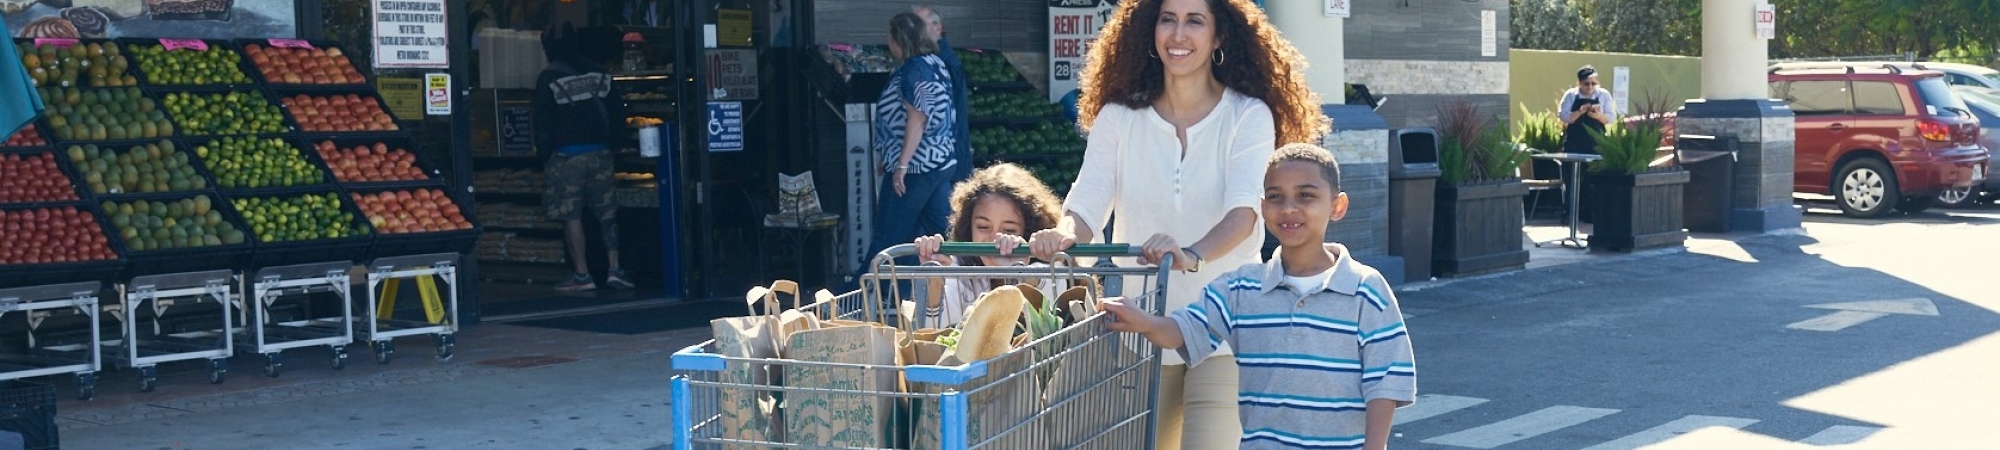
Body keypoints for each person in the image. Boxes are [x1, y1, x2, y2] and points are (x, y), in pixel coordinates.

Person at [1026, 0, 1329, 448]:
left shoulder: (1247, 114)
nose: (1178, 34)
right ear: (1151, 30)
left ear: (1219, 35)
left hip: (1226, 329)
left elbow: (1244, 213)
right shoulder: (1119, 117)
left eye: (1194, 20)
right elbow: (1086, 206)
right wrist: (1064, 234)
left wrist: (1192, 255)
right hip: (1142, 328)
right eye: (1168, 19)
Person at [1097, 144, 1417, 450]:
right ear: (1263, 208)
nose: (1289, 208)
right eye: (1276, 197)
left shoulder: (1366, 289)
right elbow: (1185, 330)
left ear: (1337, 206)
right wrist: (1145, 322)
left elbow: (1386, 381)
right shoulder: (1240, 289)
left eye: (1306, 195)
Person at [858, 13, 961, 284]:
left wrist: (901, 164)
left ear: (898, 40)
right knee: (941, 232)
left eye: (890, 38)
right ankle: (965, 281)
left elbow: (918, 116)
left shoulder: (914, 68)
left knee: (888, 237)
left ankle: (861, 292)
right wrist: (888, 155)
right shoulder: (935, 63)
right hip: (937, 164)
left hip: (916, 167)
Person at [534, 23, 635, 291]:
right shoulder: (600, 72)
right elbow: (617, 112)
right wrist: (615, 145)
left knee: (572, 216)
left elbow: (541, 120)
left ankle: (582, 276)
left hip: (565, 158)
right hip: (601, 154)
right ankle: (615, 270)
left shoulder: (548, 76)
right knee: (608, 214)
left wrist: (544, 155)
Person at [910, 163, 1066, 327]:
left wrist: (1020, 270)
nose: (994, 238)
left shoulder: (1048, 262)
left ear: (1027, 230)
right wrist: (934, 279)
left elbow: (1053, 320)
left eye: (1009, 229)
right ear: (968, 227)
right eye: (983, 227)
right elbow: (935, 331)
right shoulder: (959, 269)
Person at [912, 4, 973, 184]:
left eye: (917, 24)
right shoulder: (933, 60)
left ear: (937, 27)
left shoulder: (942, 62)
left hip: (945, 157)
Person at [1557, 65, 1617, 222]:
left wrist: (1597, 115)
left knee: (1594, 179)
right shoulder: (1571, 95)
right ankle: (1569, 214)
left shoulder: (1603, 95)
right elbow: (1564, 117)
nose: (1590, 87)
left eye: (1593, 83)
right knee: (1571, 179)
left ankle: (1591, 214)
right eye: (1586, 83)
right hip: (1575, 141)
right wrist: (1580, 111)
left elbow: (1610, 118)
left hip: (1596, 142)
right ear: (1579, 83)